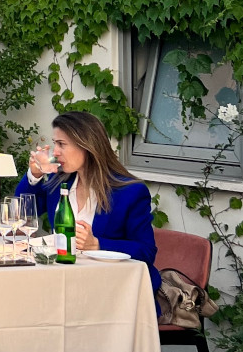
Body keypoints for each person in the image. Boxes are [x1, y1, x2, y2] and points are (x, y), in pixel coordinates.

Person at [17, 110, 159, 289]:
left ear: (86, 145)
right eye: (55, 143)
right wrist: (35, 174)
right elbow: (23, 212)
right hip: (63, 281)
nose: (56, 152)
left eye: (61, 144)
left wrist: (97, 244)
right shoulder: (59, 182)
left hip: (113, 287)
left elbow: (146, 251)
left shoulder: (130, 192)